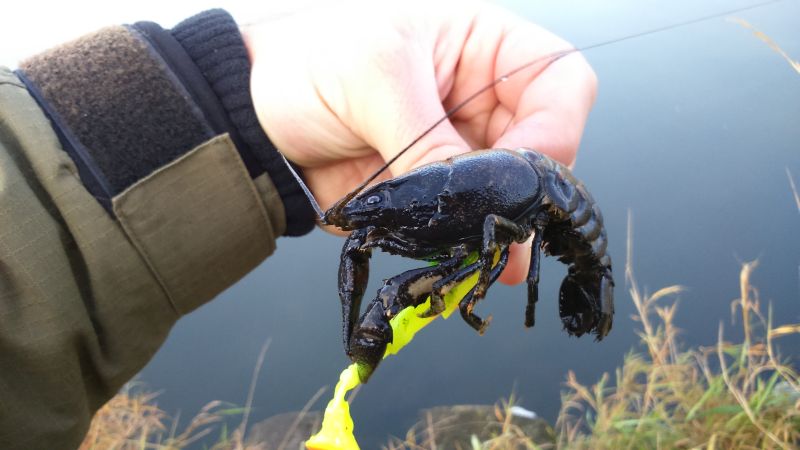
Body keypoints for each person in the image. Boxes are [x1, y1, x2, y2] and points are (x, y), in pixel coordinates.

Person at [0, 1, 596, 448]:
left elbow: (493, 233)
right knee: (374, 244)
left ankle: (563, 286)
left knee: (451, 265)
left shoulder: (510, 208)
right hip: (508, 206)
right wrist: (238, 116)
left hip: (545, 212)